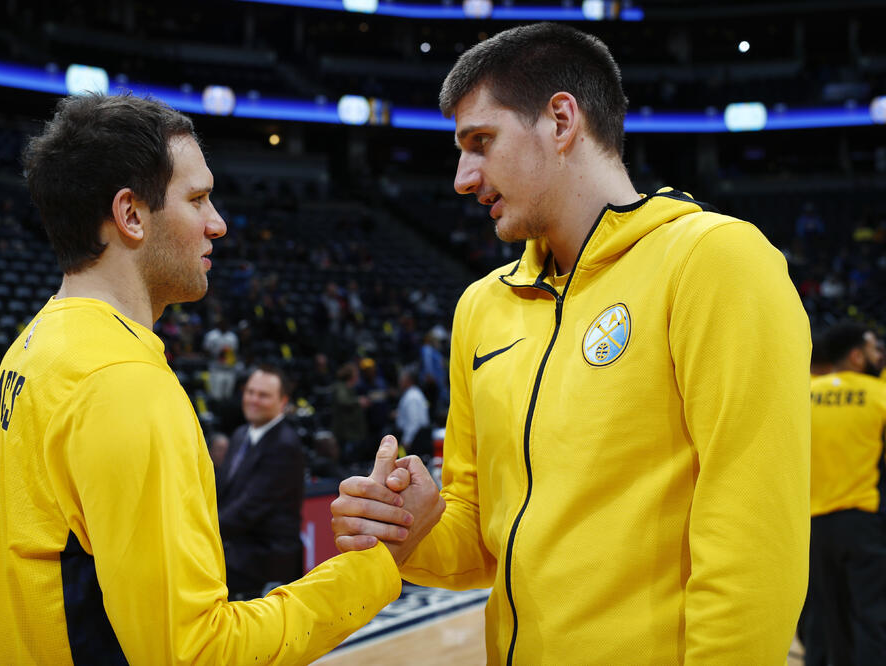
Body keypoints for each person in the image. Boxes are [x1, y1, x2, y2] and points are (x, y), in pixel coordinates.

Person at [330, 22, 811, 664]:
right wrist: (414, 528)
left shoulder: (715, 260)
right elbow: (483, 533)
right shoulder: (482, 306)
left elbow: (755, 537)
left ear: (561, 120)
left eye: (480, 143)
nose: (462, 178)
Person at [0, 93, 443, 665]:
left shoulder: (30, 349)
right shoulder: (122, 382)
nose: (218, 224)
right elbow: (197, 654)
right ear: (130, 215)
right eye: (197, 199)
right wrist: (379, 563)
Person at [803, 323, 886, 665]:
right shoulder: (880, 395)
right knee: (871, 616)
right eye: (872, 348)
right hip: (862, 520)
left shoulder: (801, 395)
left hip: (810, 526)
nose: (878, 354)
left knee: (823, 618)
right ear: (855, 356)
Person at [216, 366, 305, 599]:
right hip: (238, 552)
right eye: (250, 392)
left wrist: (202, 533)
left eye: (263, 395)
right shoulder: (240, 434)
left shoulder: (284, 445)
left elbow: (249, 509)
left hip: (265, 560)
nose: (254, 400)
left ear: (283, 401)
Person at [395, 368, 431, 459]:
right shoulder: (412, 394)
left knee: (407, 462)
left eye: (401, 380)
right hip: (415, 436)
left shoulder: (412, 397)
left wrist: (406, 441)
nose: (399, 382)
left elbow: (413, 422)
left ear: (408, 380)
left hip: (415, 439)